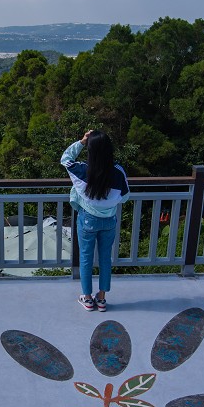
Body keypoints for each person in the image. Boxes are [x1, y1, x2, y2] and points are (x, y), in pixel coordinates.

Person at [61, 129, 130, 312]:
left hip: (88, 220)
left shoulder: (83, 170)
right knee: (105, 258)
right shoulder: (118, 172)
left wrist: (82, 142)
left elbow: (65, 159)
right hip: (108, 221)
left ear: (91, 150)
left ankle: (88, 299)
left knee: (86, 258)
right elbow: (125, 196)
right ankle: (102, 299)